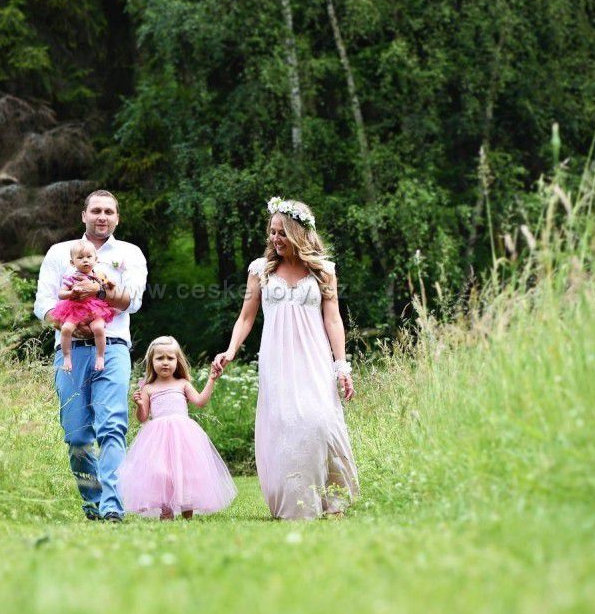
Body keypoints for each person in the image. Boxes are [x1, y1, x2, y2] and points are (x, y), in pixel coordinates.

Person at [213, 197, 358, 520]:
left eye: (282, 233)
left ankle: (333, 499)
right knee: (286, 425)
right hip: (277, 358)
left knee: (320, 421)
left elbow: (333, 319)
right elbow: (246, 317)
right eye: (272, 232)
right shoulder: (260, 270)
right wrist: (230, 351)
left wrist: (341, 365)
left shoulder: (323, 271)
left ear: (298, 233)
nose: (275, 239)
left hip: (314, 357)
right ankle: (295, 503)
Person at [34, 190, 147, 523]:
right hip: (69, 351)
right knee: (77, 435)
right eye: (96, 210)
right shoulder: (59, 253)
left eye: (109, 211)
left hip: (112, 347)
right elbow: (43, 304)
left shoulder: (129, 253)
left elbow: (133, 301)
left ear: (117, 218)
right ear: (84, 215)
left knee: (111, 426)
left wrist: (98, 291)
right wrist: (70, 324)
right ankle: (93, 502)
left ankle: (112, 505)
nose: (102, 216)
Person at [118, 336, 237, 520]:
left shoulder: (183, 384)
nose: (165, 362)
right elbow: (142, 418)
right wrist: (140, 405)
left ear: (177, 360)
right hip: (157, 438)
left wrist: (211, 379)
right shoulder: (148, 388)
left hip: (183, 436)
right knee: (161, 473)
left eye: (170, 358)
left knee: (186, 472)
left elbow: (200, 402)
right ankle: (166, 511)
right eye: (160, 358)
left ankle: (187, 513)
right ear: (152, 362)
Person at [49, 240, 117, 372]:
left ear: (96, 259)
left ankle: (100, 356)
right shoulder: (71, 278)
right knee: (66, 329)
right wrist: (71, 293)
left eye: (89, 257)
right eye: (80, 258)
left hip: (95, 310)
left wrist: (110, 284)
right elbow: (61, 294)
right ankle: (67, 357)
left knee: (99, 328)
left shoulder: (98, 276)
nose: (85, 260)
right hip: (75, 309)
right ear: (72, 262)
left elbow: (108, 287)